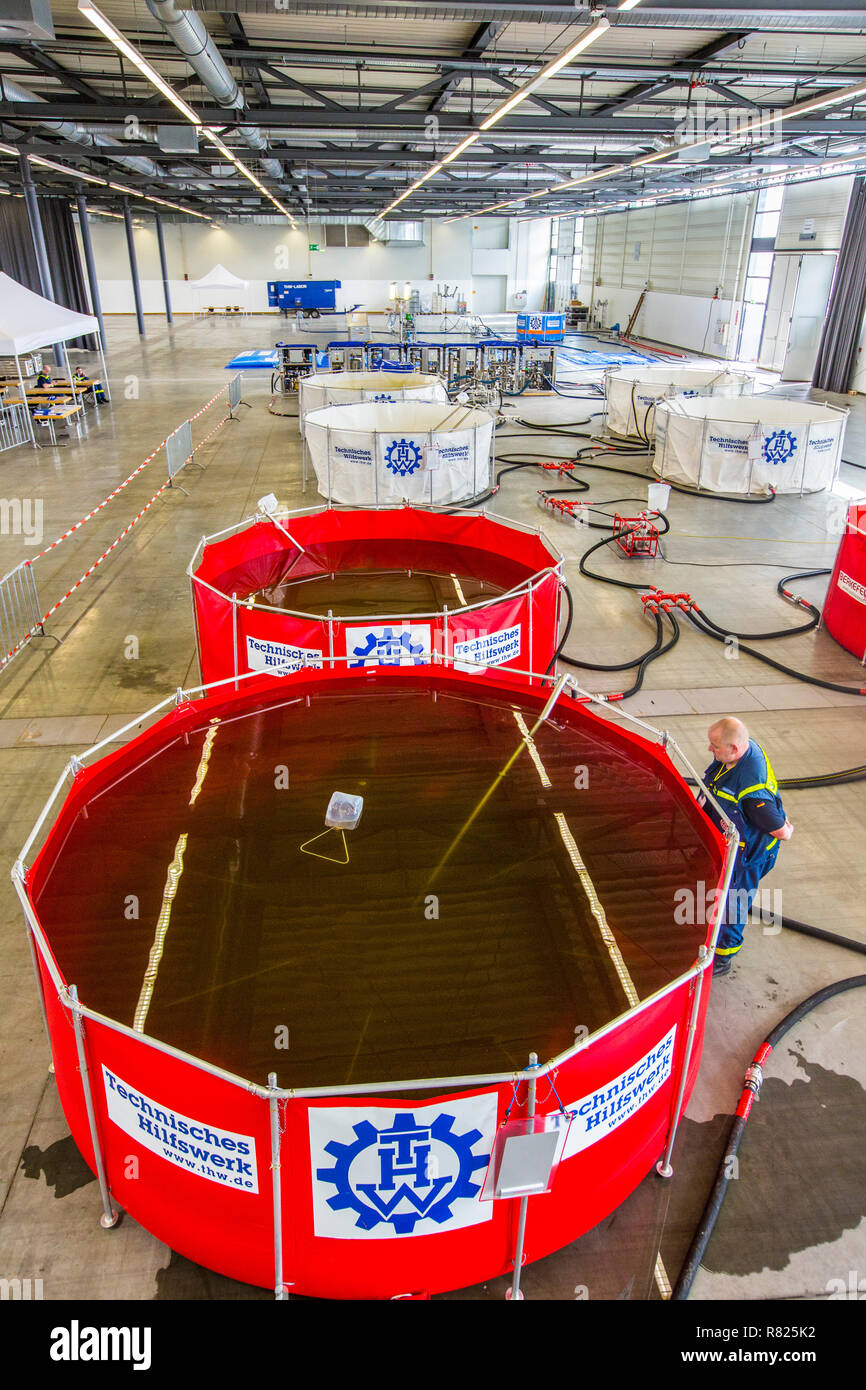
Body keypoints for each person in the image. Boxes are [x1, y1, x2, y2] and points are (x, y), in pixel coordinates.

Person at [698, 717, 793, 977]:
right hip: (727, 845)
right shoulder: (740, 752)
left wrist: (787, 828)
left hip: (746, 856)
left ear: (735, 749)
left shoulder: (753, 794)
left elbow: (780, 830)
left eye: (715, 746)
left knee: (733, 901)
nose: (710, 750)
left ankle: (722, 958)